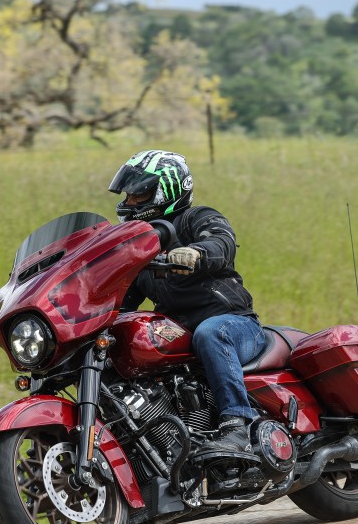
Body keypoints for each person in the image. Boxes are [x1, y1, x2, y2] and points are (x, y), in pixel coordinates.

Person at [110, 149, 266, 455]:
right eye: (128, 196)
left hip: (235, 325)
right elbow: (122, 302)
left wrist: (197, 252)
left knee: (211, 332)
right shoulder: (140, 244)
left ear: (166, 190)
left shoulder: (198, 218)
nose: (128, 203)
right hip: (178, 331)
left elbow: (222, 242)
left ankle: (239, 425)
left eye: (138, 196)